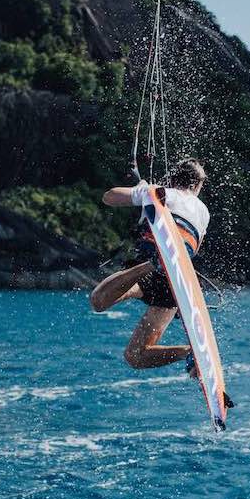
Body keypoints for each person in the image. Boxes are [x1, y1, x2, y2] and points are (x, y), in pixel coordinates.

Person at [90, 158, 210, 372]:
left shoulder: (158, 192)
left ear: (174, 179)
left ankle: (152, 264)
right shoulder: (204, 212)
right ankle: (189, 352)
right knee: (136, 356)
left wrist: (141, 191)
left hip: (146, 268)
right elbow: (194, 247)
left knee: (98, 302)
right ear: (197, 185)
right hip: (174, 281)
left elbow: (108, 197)